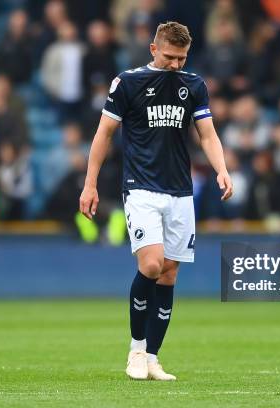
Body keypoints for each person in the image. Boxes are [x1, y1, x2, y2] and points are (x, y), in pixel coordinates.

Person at [79, 21, 233, 380]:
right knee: (151, 265)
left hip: (180, 191)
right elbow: (103, 134)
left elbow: (207, 134)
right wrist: (90, 184)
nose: (176, 64)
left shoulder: (193, 85)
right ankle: (135, 349)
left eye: (182, 58)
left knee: (169, 273)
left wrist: (221, 169)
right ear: (153, 49)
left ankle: (152, 357)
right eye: (169, 57)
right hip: (141, 188)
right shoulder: (128, 83)